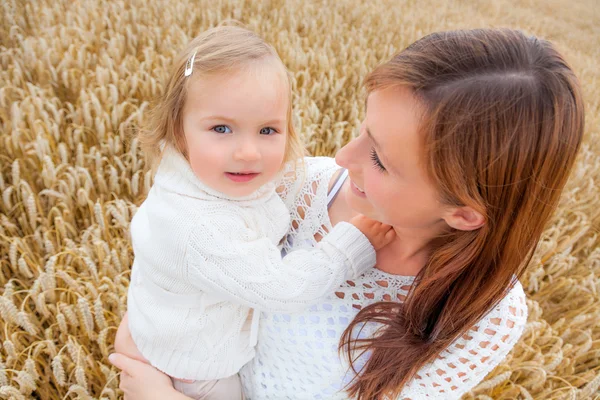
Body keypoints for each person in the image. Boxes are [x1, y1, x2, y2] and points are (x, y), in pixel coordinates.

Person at [110, 28, 585, 399]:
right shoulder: (300, 187)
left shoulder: (485, 316)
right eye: (363, 129)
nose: (341, 156)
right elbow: (180, 256)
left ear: (463, 214)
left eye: (379, 158)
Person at [120, 25, 394, 400]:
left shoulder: (205, 174)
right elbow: (283, 290)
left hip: (161, 333)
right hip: (194, 371)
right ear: (177, 131)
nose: (248, 152)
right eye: (221, 128)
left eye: (267, 130)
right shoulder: (199, 227)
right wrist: (348, 246)